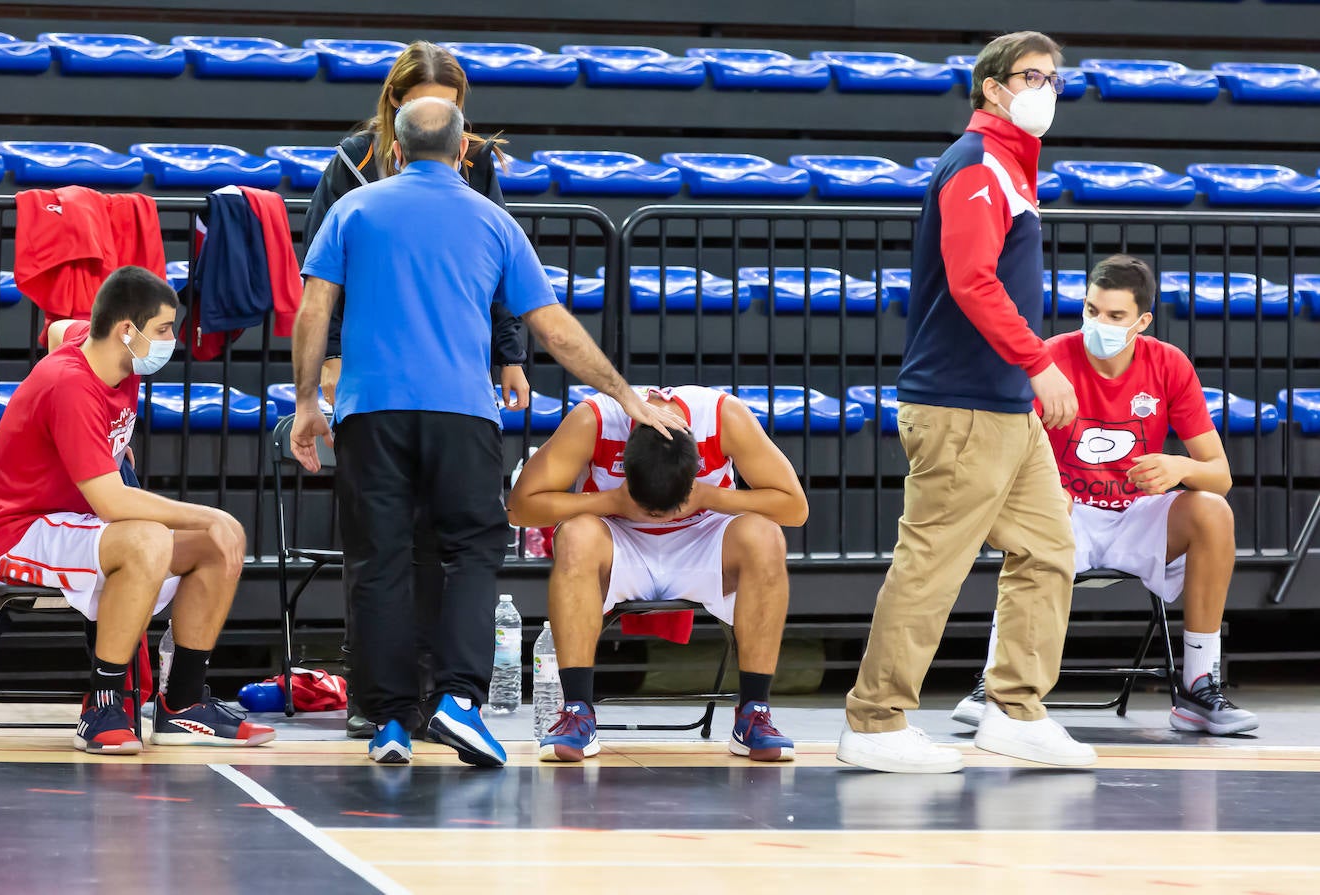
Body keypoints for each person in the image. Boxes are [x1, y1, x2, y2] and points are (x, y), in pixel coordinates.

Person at [292, 97, 683, 767]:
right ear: (462, 148)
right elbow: (552, 326)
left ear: (395, 146)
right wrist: (625, 395)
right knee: (472, 549)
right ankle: (459, 701)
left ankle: (389, 720)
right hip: (463, 411)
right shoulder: (494, 220)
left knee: (378, 561)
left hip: (370, 410)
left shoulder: (352, 210)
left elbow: (313, 308)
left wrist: (306, 401)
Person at [838, 30, 1096, 774]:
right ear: (992, 88)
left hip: (1006, 406)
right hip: (963, 404)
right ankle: (876, 720)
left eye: (1054, 76)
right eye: (1031, 75)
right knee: (932, 564)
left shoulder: (1012, 166)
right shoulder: (979, 163)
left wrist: (1024, 376)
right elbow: (972, 279)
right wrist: (1038, 361)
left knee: (1048, 551)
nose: (1045, 87)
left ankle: (1015, 708)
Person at [303, 39, 530, 739]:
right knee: (379, 545)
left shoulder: (478, 160)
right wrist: (329, 362)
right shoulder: (352, 160)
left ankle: (435, 695)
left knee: (439, 540)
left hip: (452, 377)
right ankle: (375, 696)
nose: (440, 113)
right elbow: (321, 274)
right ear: (395, 106)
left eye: (453, 104)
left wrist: (510, 355)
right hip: (375, 369)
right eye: (423, 101)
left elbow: (495, 264)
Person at [0, 266, 276, 754]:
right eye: (162, 329)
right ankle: (102, 706)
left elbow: (55, 331)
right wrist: (208, 513)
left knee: (217, 545)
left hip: (75, 523)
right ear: (126, 331)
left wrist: (93, 445)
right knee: (155, 535)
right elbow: (112, 503)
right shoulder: (70, 385)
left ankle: (183, 706)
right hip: (17, 529)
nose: (171, 340)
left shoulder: (100, 350)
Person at [950, 255, 1257, 735]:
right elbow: (1002, 459)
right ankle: (997, 683)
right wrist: (1041, 490)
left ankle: (1198, 687)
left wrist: (1180, 466)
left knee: (1212, 511)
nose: (1099, 324)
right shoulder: (1050, 358)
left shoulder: (1169, 364)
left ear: (1142, 321)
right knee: (1032, 513)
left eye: (1115, 317)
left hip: (1136, 514)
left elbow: (1220, 475)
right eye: (1092, 311)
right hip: (1065, 513)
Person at [508, 385, 809, 763]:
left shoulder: (724, 416)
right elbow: (520, 508)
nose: (660, 516)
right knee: (577, 534)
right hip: (620, 542)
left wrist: (706, 497)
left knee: (765, 536)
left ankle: (754, 714)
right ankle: (577, 712)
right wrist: (611, 501)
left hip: (704, 543)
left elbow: (795, 508)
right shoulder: (594, 419)